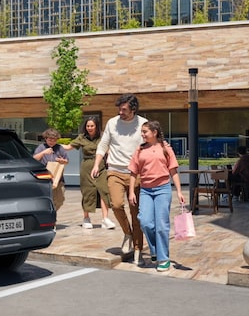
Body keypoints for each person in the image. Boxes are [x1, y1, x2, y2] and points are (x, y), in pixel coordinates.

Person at [91, 93, 147, 255]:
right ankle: (127, 233)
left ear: (133, 109)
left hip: (135, 175)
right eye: (119, 109)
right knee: (115, 205)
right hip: (114, 171)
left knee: (136, 212)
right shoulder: (112, 123)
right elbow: (103, 145)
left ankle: (137, 248)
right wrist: (96, 164)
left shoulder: (143, 124)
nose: (120, 112)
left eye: (123, 109)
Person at [128, 120, 185, 271]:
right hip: (146, 190)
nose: (142, 134)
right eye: (142, 132)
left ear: (154, 133)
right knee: (145, 222)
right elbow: (133, 172)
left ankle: (163, 259)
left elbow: (173, 171)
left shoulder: (166, 148)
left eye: (145, 132)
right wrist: (131, 191)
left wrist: (179, 191)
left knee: (161, 226)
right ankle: (155, 251)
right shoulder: (139, 150)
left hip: (163, 189)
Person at [64, 116, 115, 230]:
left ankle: (105, 219)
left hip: (101, 167)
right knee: (88, 192)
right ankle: (86, 218)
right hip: (86, 167)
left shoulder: (103, 138)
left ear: (96, 126)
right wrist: (55, 146)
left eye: (92, 126)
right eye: (88, 126)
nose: (90, 128)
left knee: (104, 190)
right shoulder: (82, 138)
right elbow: (68, 147)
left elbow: (110, 151)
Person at [33, 128, 69, 213]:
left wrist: (63, 161)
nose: (52, 142)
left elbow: (66, 161)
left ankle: (52, 213)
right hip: (45, 178)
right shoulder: (41, 147)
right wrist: (43, 153)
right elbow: (34, 159)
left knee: (60, 199)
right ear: (46, 139)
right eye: (50, 140)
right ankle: (50, 216)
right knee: (47, 199)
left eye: (54, 140)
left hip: (58, 178)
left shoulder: (59, 148)